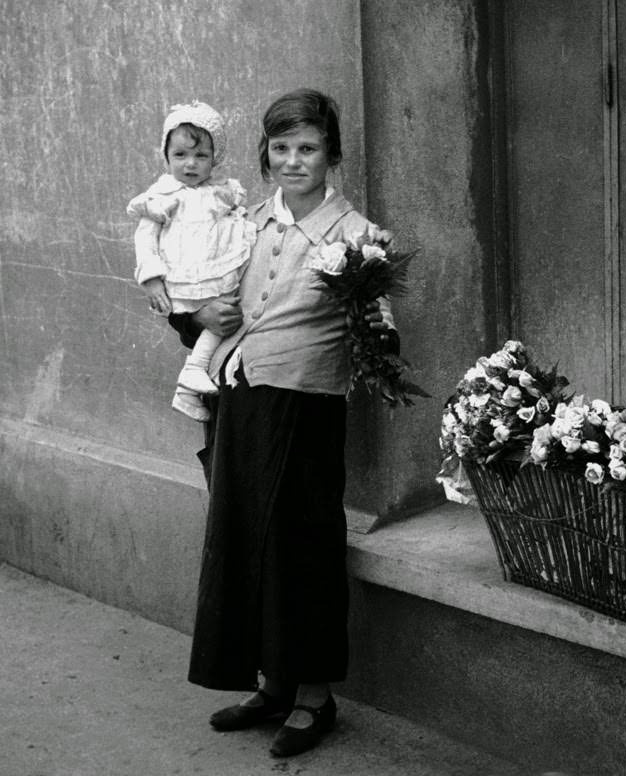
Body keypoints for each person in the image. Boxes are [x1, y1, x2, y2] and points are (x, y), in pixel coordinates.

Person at [168, 88, 398, 758]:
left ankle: (314, 698)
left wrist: (371, 327)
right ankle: (272, 685)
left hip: (304, 407)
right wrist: (197, 319)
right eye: (281, 148)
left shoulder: (358, 238)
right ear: (265, 156)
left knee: (300, 545)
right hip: (239, 399)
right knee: (245, 540)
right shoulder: (249, 223)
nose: (294, 161)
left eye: (308, 148)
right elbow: (203, 290)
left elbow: (383, 337)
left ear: (332, 154)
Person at [128, 101, 255, 421]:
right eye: (180, 155)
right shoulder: (163, 195)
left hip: (215, 271)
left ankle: (189, 385)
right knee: (218, 319)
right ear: (166, 156)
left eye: (201, 156)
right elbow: (145, 238)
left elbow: (236, 216)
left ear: (215, 158)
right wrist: (152, 278)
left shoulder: (219, 190)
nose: (190, 164)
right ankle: (193, 373)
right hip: (185, 276)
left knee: (227, 316)